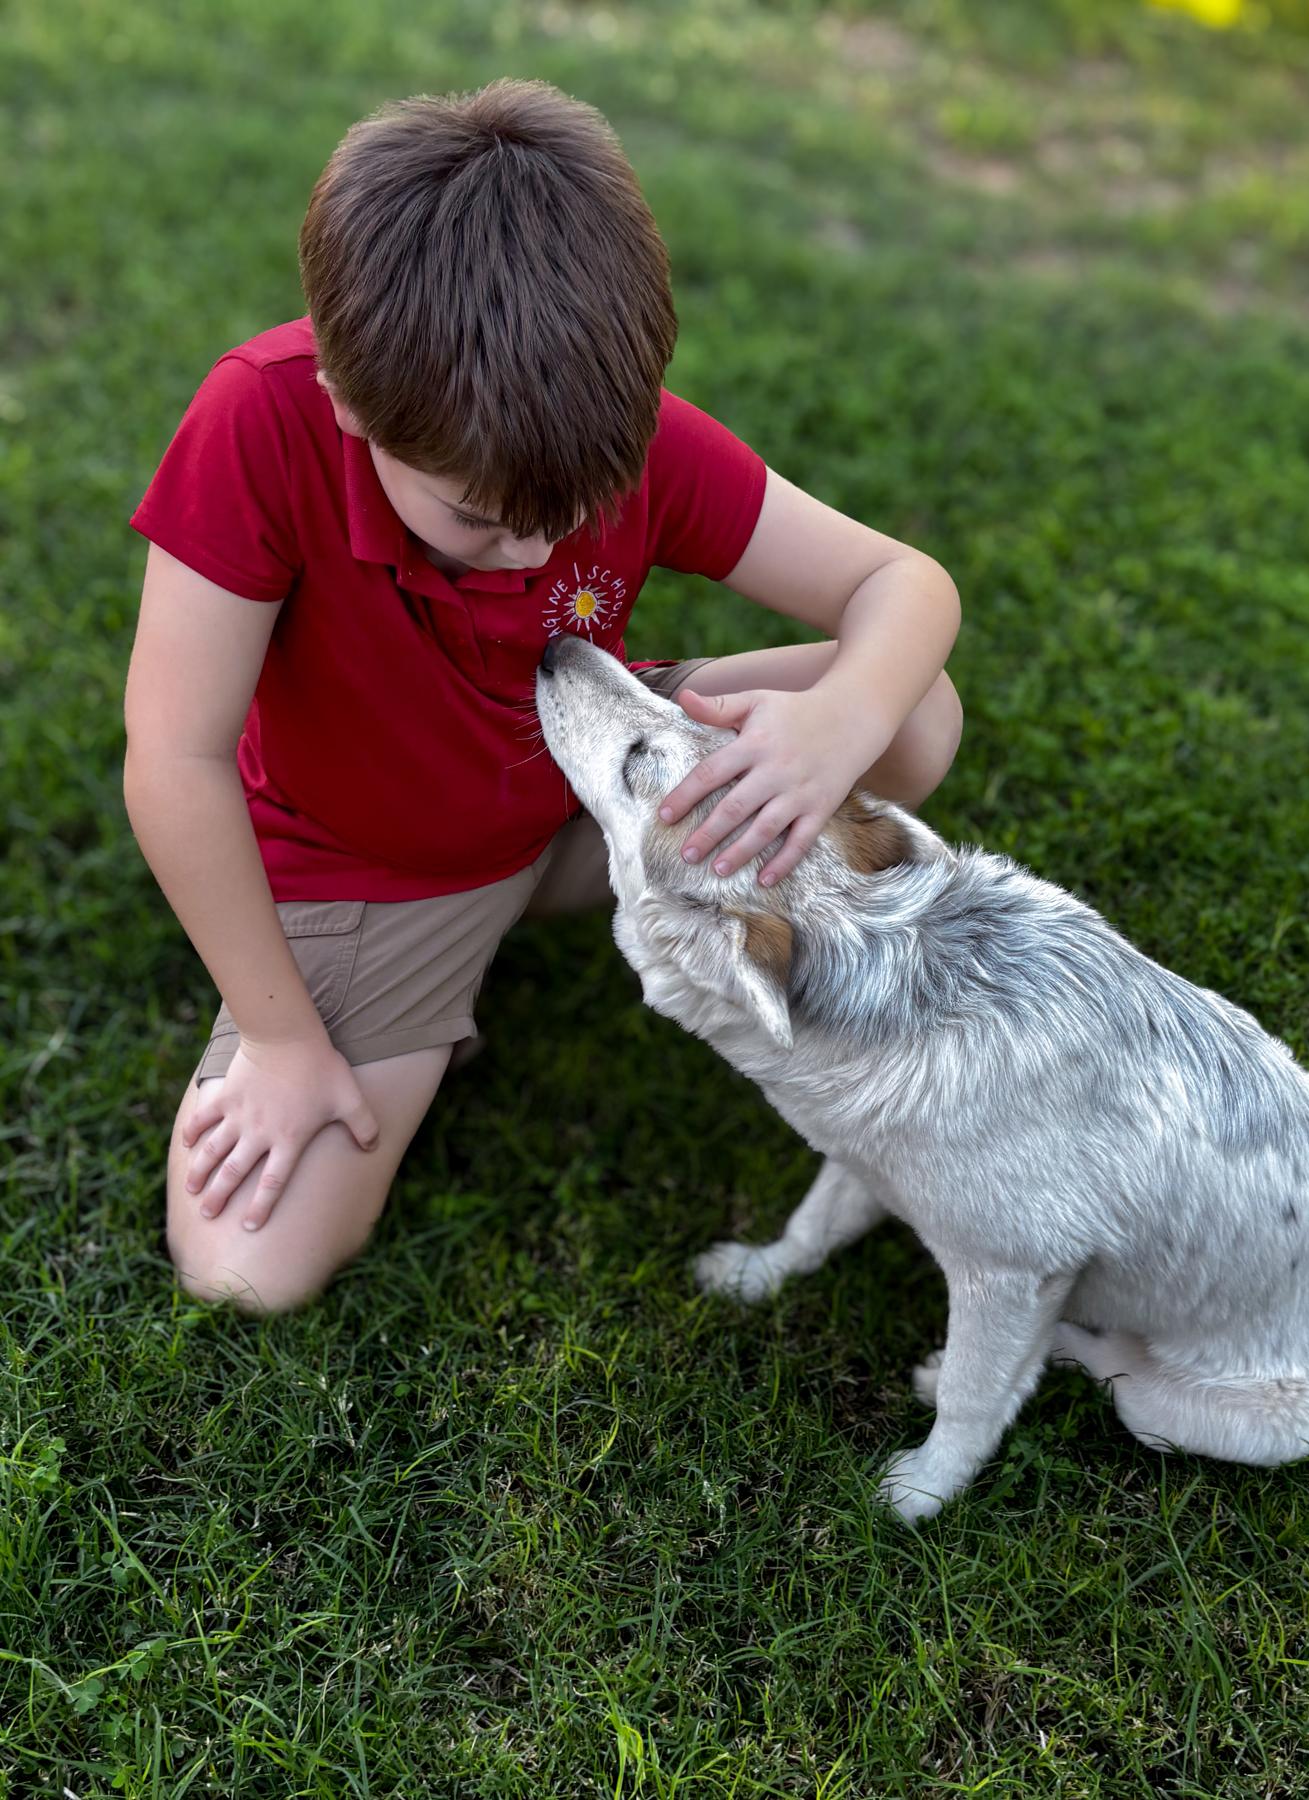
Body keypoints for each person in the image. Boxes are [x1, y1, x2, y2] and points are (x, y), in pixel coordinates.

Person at [123, 78, 963, 1315]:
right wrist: (284, 1040)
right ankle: (414, 982)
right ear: (350, 406)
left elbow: (903, 583)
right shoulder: (257, 419)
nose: (529, 555)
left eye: (562, 521)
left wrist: (837, 725)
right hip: (369, 866)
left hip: (584, 778)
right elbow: (174, 760)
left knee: (914, 710)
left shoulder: (601, 422)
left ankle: (550, 908)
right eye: (476, 518)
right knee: (249, 1269)